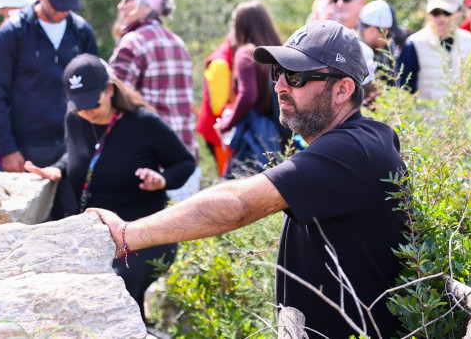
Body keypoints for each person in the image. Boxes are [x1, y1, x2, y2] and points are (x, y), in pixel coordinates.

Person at [91, 20, 407, 339]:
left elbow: (238, 204)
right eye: (278, 72)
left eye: (296, 76)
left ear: (342, 90)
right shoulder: (363, 141)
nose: (279, 86)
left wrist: (126, 234)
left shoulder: (350, 150)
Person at [25, 53, 194, 320]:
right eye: (79, 105)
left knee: (115, 285)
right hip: (97, 231)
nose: (86, 112)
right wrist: (58, 168)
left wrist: (162, 180)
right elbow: (80, 153)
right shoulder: (76, 119)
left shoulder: (143, 124)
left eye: (92, 103)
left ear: (110, 90)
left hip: (143, 231)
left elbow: (185, 163)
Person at [0, 0, 98, 219]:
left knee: (73, 218)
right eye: (57, 4)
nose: (62, 11)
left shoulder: (81, 32)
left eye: (69, 4)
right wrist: (8, 149)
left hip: (72, 146)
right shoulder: (13, 32)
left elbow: (96, 90)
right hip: (27, 148)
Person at [109, 0, 198, 201]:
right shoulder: (177, 42)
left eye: (127, 0)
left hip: (149, 167)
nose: (121, 6)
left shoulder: (133, 42)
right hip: (185, 161)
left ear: (146, 5)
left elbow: (113, 101)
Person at [213, 1, 283, 177]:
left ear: (241, 26)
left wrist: (226, 125)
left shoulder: (245, 54)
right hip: (280, 133)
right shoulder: (279, 50)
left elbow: (248, 96)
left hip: (254, 136)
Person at [397, 0, 471, 99]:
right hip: (427, 110)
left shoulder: (469, 40)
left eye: (447, 12)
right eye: (436, 12)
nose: (440, 18)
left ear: (459, 12)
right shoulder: (415, 43)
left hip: (464, 110)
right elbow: (405, 90)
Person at [196, 34, 234, 177]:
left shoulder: (230, 54)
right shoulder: (220, 63)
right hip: (218, 133)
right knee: (229, 178)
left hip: (225, 131)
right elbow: (218, 107)